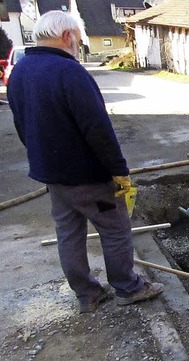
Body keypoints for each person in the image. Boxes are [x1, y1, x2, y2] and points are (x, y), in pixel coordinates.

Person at [8, 11, 163, 313]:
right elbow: (98, 129)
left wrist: (44, 160)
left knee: (69, 233)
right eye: (78, 38)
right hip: (87, 177)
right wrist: (119, 171)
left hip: (53, 177)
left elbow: (21, 123)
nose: (79, 45)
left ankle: (87, 295)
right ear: (67, 36)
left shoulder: (21, 70)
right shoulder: (70, 73)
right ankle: (128, 287)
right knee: (116, 228)